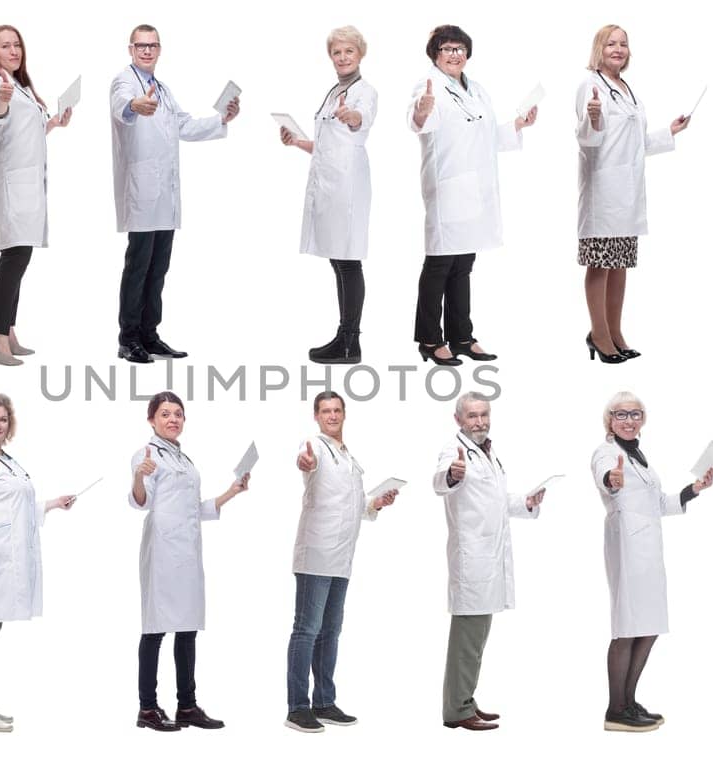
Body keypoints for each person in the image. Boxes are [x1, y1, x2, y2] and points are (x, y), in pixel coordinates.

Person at [110, 25, 239, 364]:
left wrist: (221, 118)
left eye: (152, 46)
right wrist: (135, 106)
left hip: (164, 196)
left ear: (159, 49)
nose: (147, 51)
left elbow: (183, 125)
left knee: (158, 268)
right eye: (141, 46)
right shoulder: (124, 82)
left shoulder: (163, 90)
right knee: (138, 266)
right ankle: (128, 339)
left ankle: (150, 335)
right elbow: (122, 107)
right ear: (131, 49)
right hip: (141, 192)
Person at [409, 25, 536, 366]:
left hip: (475, 190)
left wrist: (518, 125)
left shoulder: (476, 89)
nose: (455, 54)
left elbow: (487, 134)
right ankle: (429, 340)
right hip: (448, 187)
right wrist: (422, 109)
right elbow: (419, 121)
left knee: (464, 265)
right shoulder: (427, 86)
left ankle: (462, 336)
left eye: (460, 48)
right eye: (448, 49)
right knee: (439, 265)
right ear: (435, 54)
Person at [590, 391, 713, 731]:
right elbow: (608, 477)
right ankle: (616, 708)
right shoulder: (607, 453)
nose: (629, 420)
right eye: (621, 414)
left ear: (642, 420)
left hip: (649, 549)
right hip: (627, 546)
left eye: (635, 414)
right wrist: (610, 480)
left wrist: (695, 489)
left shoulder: (639, 456)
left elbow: (659, 502)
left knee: (649, 625)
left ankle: (629, 701)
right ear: (610, 420)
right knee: (628, 626)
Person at [0, 392, 77, 731]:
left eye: (2, 419)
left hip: (3, 552)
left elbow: (17, 504)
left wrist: (52, 504)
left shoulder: (6, 457)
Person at [128, 391, 249, 730]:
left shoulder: (184, 459)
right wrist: (138, 476)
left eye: (178, 414)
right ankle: (147, 708)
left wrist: (233, 491)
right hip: (163, 552)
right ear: (152, 419)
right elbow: (141, 502)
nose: (173, 419)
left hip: (188, 553)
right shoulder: (148, 454)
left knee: (187, 629)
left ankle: (187, 706)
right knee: (155, 629)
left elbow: (195, 509)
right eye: (165, 414)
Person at [283, 391, 398, 733]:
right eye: (325, 411)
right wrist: (305, 464)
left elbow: (355, 506)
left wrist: (377, 502)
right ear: (316, 416)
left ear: (344, 414)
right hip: (316, 555)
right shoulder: (314, 446)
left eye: (337, 410)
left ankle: (324, 702)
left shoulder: (349, 457)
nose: (332, 416)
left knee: (330, 632)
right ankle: (297, 707)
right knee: (306, 631)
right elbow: (306, 464)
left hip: (342, 558)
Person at [432, 391, 546, 731]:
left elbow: (496, 500)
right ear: (458, 420)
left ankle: (465, 699)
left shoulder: (488, 452)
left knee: (476, 639)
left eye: (483, 414)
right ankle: (456, 710)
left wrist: (526, 501)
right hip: (473, 560)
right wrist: (452, 475)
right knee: (467, 641)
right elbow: (440, 482)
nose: (479, 421)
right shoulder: (453, 451)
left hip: (489, 558)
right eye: (472, 416)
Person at [576, 25, 689, 363]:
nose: (618, 49)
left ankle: (615, 330)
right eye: (610, 43)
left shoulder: (627, 89)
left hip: (627, 194)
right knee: (600, 264)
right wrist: (593, 119)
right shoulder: (590, 86)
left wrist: (669, 132)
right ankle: (598, 334)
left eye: (623, 44)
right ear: (598, 48)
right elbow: (587, 139)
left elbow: (635, 143)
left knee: (620, 265)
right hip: (604, 192)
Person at [0, 25, 73, 366]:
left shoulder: (22, 86)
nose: (14, 51)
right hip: (10, 185)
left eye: (17, 45)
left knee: (20, 256)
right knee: (14, 257)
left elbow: (24, 130)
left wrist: (54, 123)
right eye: (6, 46)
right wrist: (0, 99)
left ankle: (8, 330)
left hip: (25, 183)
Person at [280, 27, 376, 365]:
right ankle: (343, 336)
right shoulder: (335, 89)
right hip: (329, 183)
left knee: (348, 260)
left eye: (349, 51)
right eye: (337, 52)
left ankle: (351, 341)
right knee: (338, 260)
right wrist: (297, 142)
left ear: (360, 53)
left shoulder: (364, 92)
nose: (343, 57)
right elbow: (326, 146)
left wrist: (351, 116)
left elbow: (358, 121)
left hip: (348, 186)